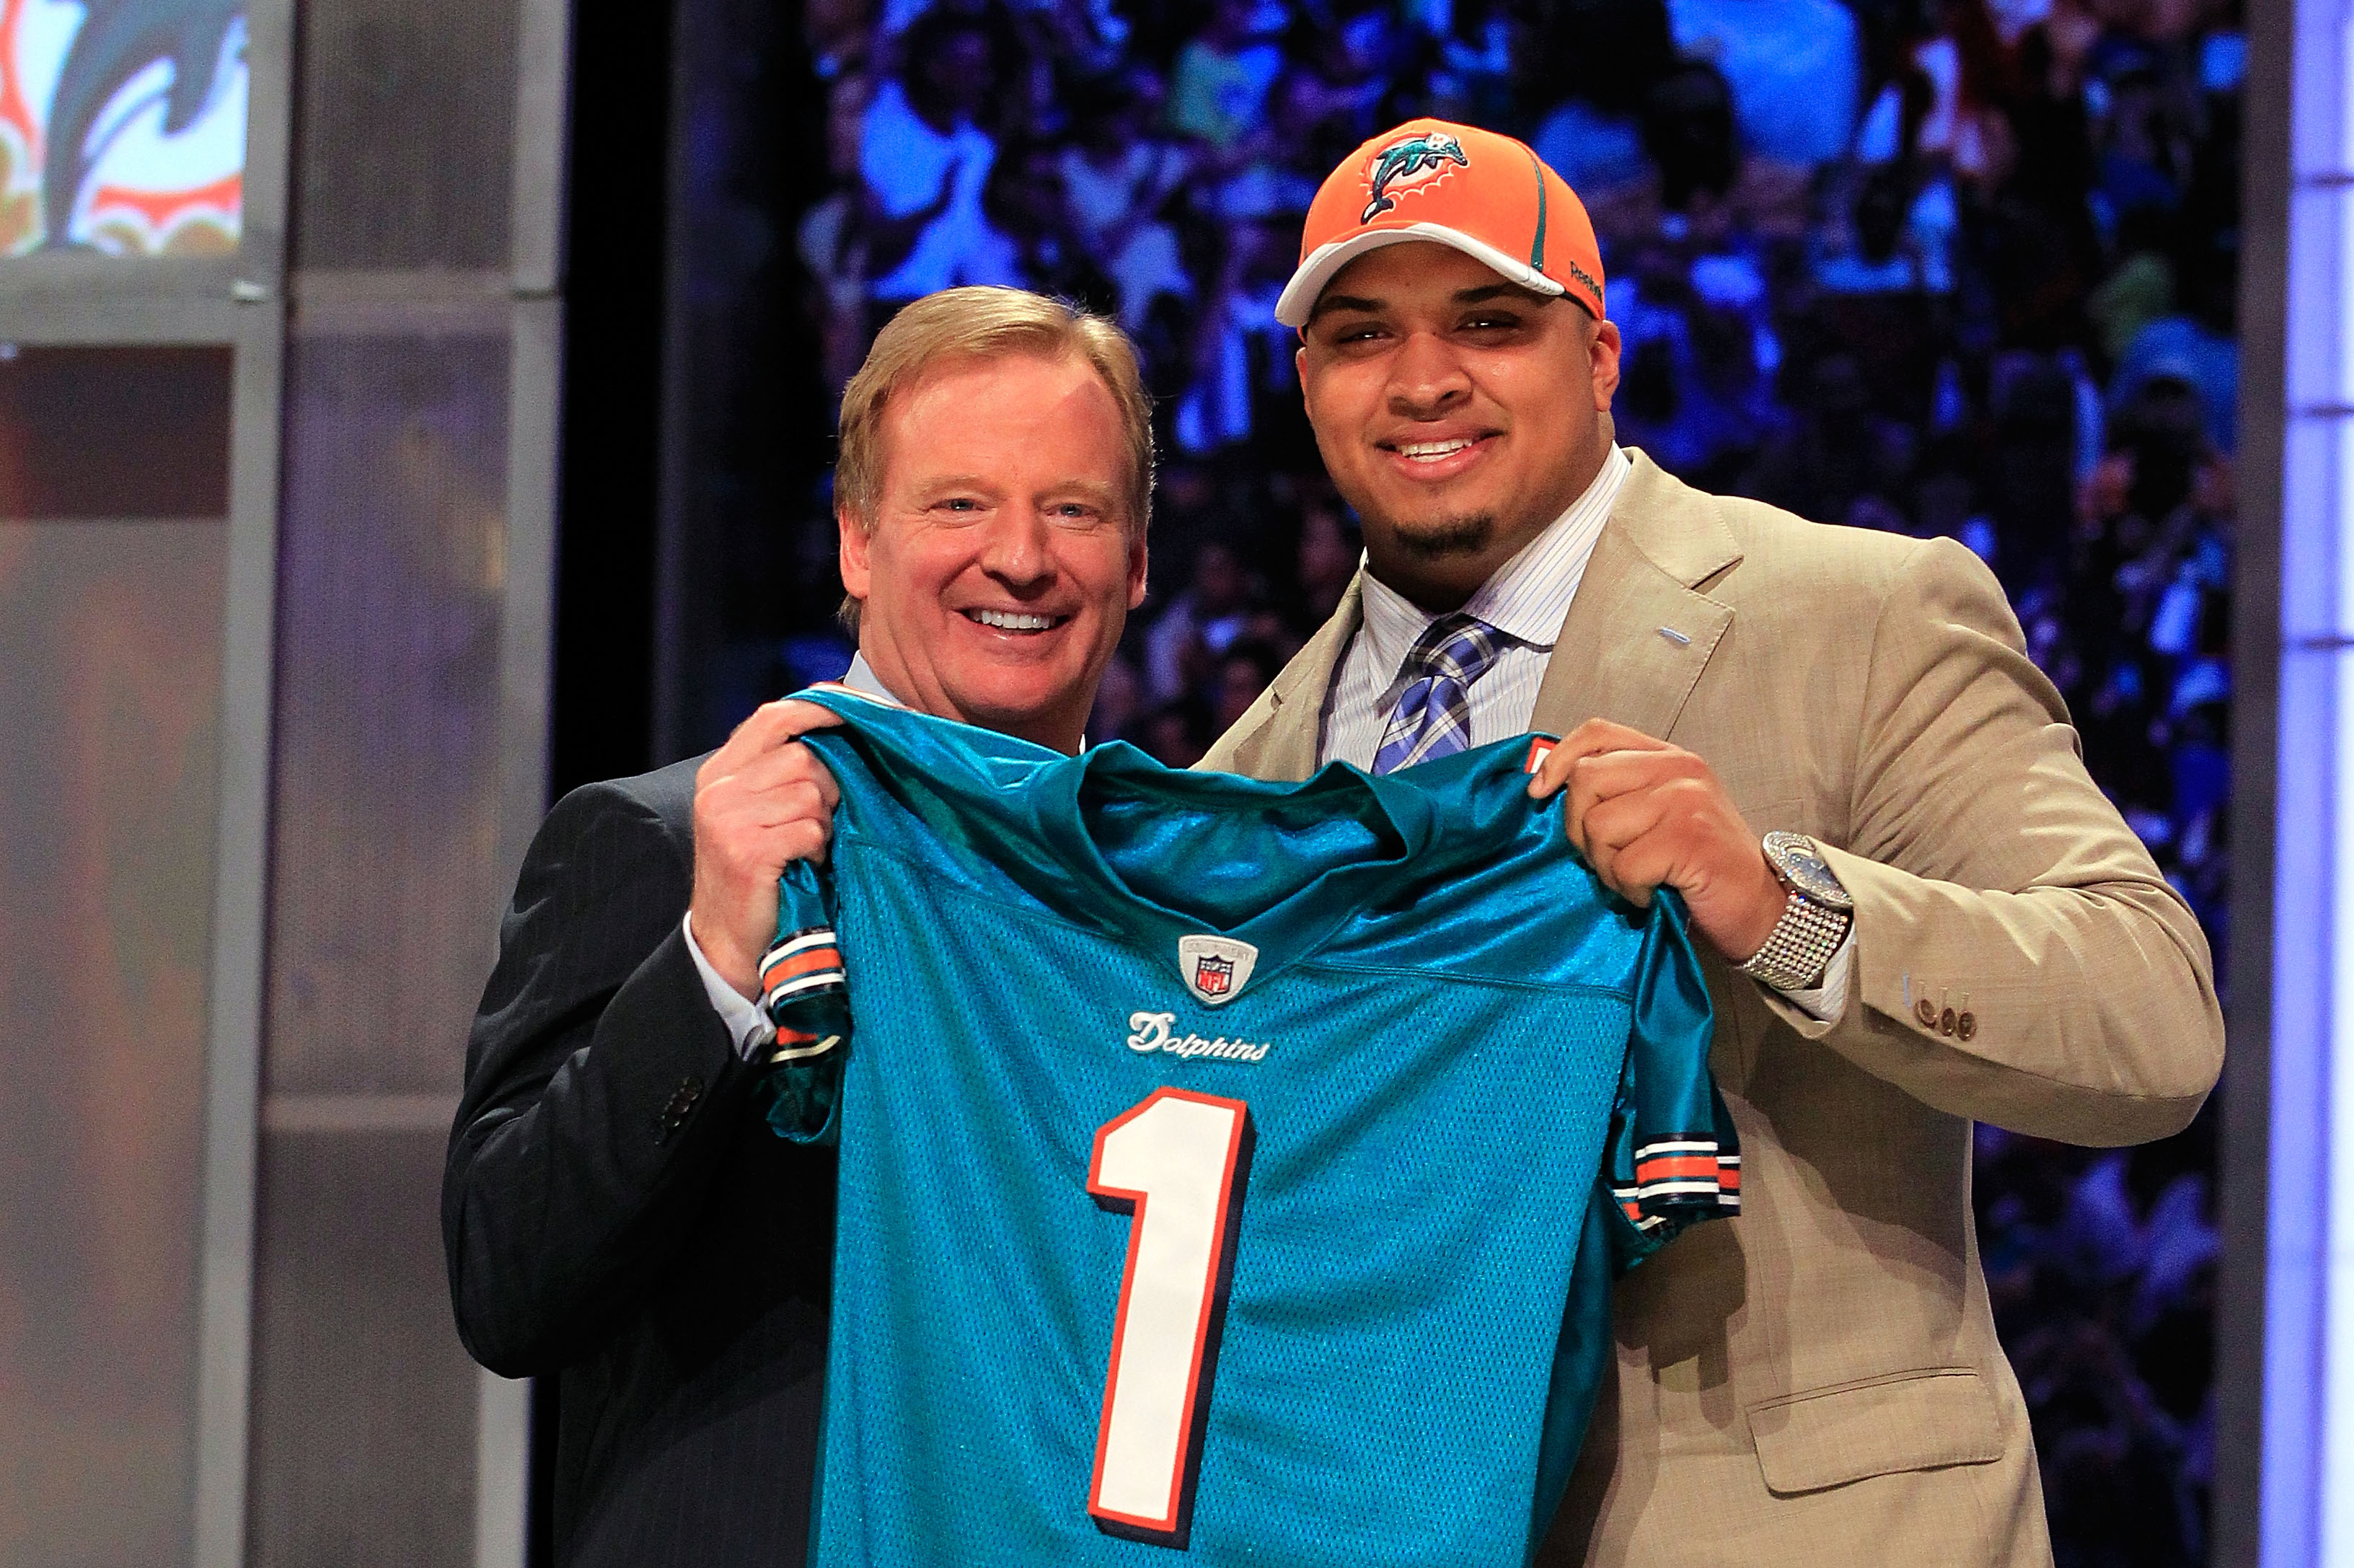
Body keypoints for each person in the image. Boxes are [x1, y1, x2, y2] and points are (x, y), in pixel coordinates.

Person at [1203, 118, 2223, 1567]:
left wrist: (1781, 909)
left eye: (1488, 321)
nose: (1423, 378)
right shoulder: (1245, 779)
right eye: (1362, 334)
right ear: (1306, 383)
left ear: (1599, 356)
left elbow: (2152, 1016)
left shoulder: (1864, 616)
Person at [441, 286, 1151, 1568]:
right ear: (857, 543)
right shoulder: (657, 846)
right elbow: (508, 1284)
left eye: (1074, 509)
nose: (1021, 557)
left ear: (1137, 560)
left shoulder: (1168, 914)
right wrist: (713, 967)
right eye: (959, 504)